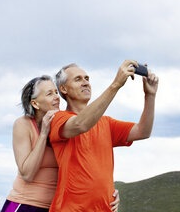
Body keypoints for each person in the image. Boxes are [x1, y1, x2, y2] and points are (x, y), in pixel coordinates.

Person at [49, 60, 159, 211]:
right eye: (78, 79)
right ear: (63, 89)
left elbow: (143, 131)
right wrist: (115, 85)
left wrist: (150, 95)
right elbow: (81, 124)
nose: (85, 83)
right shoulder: (58, 119)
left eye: (87, 78)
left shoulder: (106, 123)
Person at [1, 75, 121, 212]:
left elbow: (82, 167)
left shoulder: (63, 126)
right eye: (49, 94)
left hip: (55, 207)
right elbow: (27, 174)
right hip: (24, 204)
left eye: (56, 92)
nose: (56, 97)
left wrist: (107, 192)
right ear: (35, 104)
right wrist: (43, 134)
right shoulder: (23, 124)